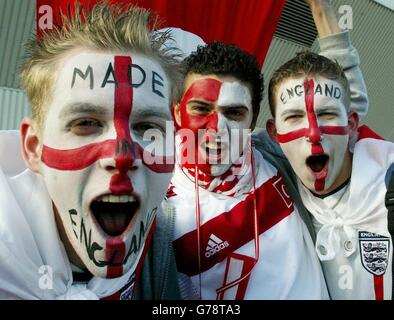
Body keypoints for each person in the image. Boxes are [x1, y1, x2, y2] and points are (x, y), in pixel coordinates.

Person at [0, 2, 183, 299]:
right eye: (86, 123)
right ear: (33, 148)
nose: (123, 156)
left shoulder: (158, 241)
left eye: (147, 128)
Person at [266, 0, 394, 300]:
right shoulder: (275, 182)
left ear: (351, 125)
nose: (313, 132)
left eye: (326, 116)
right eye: (294, 117)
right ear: (274, 134)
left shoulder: (387, 180)